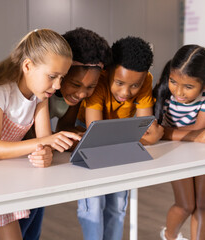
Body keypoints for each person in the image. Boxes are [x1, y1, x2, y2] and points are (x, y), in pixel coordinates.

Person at [0, 29, 81, 240]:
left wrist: (45, 153)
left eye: (61, 78)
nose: (57, 86)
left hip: (3, 168)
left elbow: (43, 142)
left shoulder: (40, 97)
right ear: (28, 66)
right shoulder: (0, 92)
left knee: (26, 220)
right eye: (52, 76)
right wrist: (45, 142)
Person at [76, 36, 164, 240]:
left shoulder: (145, 79)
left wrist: (139, 136)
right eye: (119, 82)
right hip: (91, 138)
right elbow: (95, 136)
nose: (126, 92)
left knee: (117, 204)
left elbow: (146, 128)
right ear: (108, 72)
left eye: (135, 86)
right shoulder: (98, 82)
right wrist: (138, 138)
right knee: (93, 206)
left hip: (123, 136)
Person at [153, 45, 205, 240]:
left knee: (203, 204)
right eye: (173, 81)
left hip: (203, 153)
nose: (178, 91)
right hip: (175, 153)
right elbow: (158, 133)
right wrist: (187, 135)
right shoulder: (164, 93)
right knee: (186, 205)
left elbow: (199, 131)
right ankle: (169, 235)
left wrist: (170, 132)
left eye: (188, 87)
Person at [49, 27, 111, 134]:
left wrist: (82, 136)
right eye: (75, 84)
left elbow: (64, 127)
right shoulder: (43, 89)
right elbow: (33, 136)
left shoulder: (74, 96)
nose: (82, 95)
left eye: (91, 86)